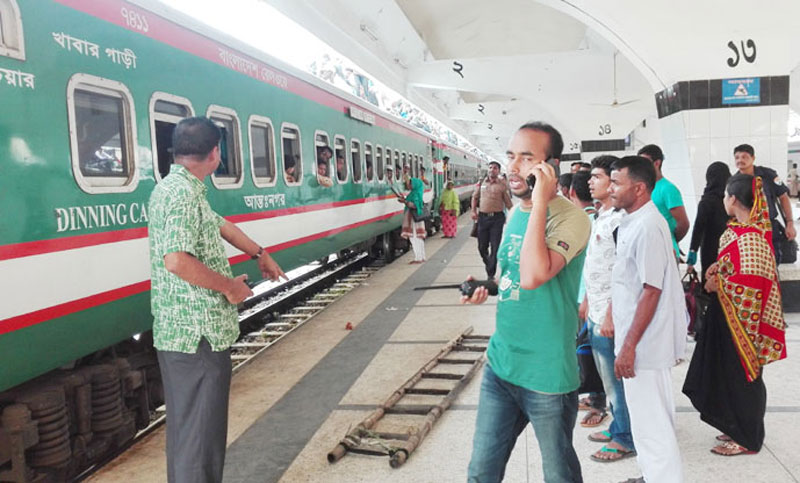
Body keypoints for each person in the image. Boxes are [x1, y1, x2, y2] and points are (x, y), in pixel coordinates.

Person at [148, 117, 286, 483]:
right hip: (197, 338)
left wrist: (260, 253)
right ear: (215, 153)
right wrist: (228, 286)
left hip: (185, 337)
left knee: (188, 435)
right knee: (200, 443)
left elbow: (219, 224)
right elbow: (176, 260)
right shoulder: (181, 194)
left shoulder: (181, 188)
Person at [463, 122, 589, 483]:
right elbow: (514, 275)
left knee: (559, 476)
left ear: (551, 166)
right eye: (510, 156)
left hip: (546, 375)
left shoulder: (573, 219)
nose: (513, 167)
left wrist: (540, 203)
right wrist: (488, 286)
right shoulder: (516, 212)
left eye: (527, 158)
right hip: (501, 366)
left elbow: (536, 275)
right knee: (481, 473)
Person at [683, 173, 787, 457]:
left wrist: (720, 283)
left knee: (745, 376)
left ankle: (748, 437)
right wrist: (715, 272)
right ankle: (733, 423)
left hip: (744, 322)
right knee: (727, 372)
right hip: (725, 315)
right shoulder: (735, 231)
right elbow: (730, 266)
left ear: (733, 199)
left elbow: (754, 282)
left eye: (727, 195)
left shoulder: (753, 237)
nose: (724, 199)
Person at [609, 156, 686, 483]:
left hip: (644, 344)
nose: (611, 189)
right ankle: (652, 475)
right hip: (638, 340)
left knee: (652, 421)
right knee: (646, 418)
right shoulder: (634, 220)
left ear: (639, 188)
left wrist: (628, 347)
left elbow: (651, 291)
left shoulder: (648, 226)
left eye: (616, 183)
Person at [578, 155, 636, 462]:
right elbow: (596, 265)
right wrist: (587, 300)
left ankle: (625, 437)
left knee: (615, 382)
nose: (592, 181)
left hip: (609, 316)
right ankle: (618, 427)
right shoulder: (601, 215)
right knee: (606, 380)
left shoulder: (619, 220)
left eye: (599, 177)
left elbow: (622, 273)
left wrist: (611, 313)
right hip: (596, 310)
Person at [569, 170, 606, 428]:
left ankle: (598, 402)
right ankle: (595, 397)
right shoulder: (594, 219)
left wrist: (587, 299)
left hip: (588, 297)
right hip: (587, 296)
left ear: (569, 193)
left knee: (590, 353)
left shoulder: (585, 223)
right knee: (588, 351)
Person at [733, 143, 796, 262]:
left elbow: (783, 197)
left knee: (772, 264)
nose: (740, 160)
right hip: (747, 232)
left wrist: (790, 223)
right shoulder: (733, 182)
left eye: (744, 157)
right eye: (737, 157)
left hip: (770, 228)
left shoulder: (767, 175)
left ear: (753, 158)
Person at [637, 144, 689, 258]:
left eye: (645, 162)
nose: (642, 167)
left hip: (666, 251)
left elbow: (683, 223)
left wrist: (670, 239)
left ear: (657, 163)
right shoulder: (641, 187)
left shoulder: (668, 189)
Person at [687, 162, 732, 284]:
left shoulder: (706, 201)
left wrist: (692, 254)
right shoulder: (730, 200)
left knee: (709, 282)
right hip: (729, 249)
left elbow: (698, 228)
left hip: (709, 249)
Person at [471, 161, 513, 279]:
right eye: (490, 167)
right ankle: (489, 264)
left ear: (498, 171)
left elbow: (508, 202)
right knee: (482, 247)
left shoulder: (502, 185)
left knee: (495, 246)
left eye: (495, 168)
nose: (492, 170)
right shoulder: (481, 183)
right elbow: (475, 198)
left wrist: (515, 214)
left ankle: (491, 273)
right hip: (483, 218)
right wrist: (473, 211)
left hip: (497, 219)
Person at [400, 175, 426, 263]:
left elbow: (414, 205)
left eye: (411, 184)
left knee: (414, 238)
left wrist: (405, 202)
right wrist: (405, 200)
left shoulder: (415, 194)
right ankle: (421, 257)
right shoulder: (417, 192)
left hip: (414, 219)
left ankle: (418, 258)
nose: (409, 186)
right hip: (416, 218)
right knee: (418, 237)